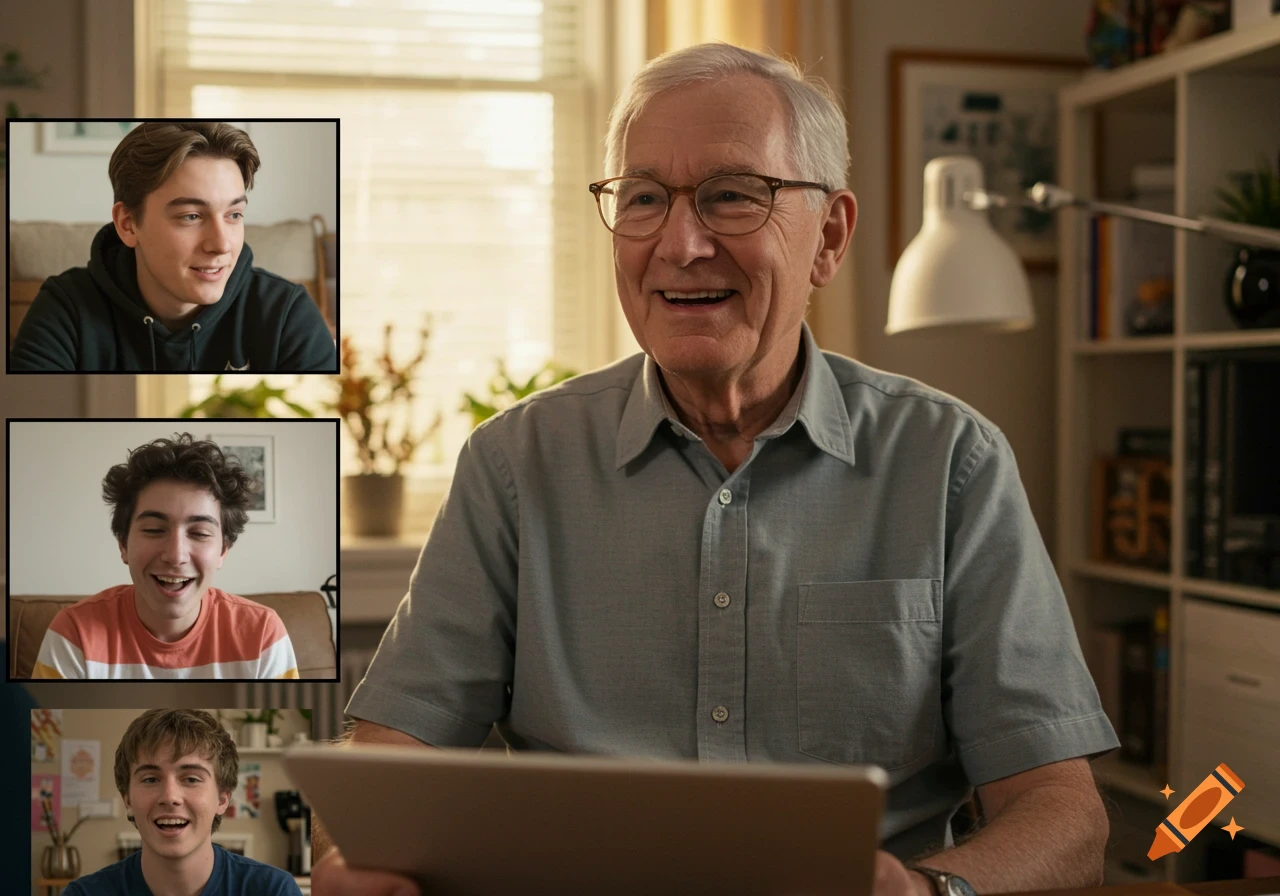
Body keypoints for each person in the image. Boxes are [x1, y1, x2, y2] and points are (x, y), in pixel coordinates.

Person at [313, 43, 1120, 896]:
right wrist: (358, 859)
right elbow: (388, 763)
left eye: (733, 196)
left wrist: (927, 893)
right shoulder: (515, 465)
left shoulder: (951, 462)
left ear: (829, 236)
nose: (681, 243)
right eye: (644, 198)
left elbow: (1063, 815)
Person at [10, 121, 337, 372]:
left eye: (234, 214)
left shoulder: (286, 313)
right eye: (191, 216)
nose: (222, 244)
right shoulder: (66, 307)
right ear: (128, 224)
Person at [31, 433, 299, 679]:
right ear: (123, 544)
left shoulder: (263, 633)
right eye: (154, 530)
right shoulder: (74, 632)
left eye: (199, 533)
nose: (175, 555)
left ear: (223, 550)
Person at [62, 709, 302, 895]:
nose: (170, 797)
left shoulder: (273, 890)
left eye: (191, 779)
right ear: (127, 799)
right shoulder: (84, 894)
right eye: (150, 779)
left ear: (222, 799)